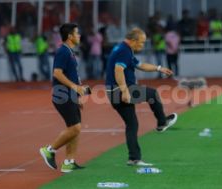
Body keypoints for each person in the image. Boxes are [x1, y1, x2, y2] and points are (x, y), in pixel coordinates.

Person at [105, 28, 178, 166]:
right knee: (152, 94)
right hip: (119, 91)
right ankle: (162, 123)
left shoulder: (124, 49)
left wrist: (158, 68)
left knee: (132, 124)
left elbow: (140, 65)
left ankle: (134, 158)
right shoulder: (124, 50)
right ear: (133, 40)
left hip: (113, 92)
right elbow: (118, 70)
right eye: (142, 42)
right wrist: (125, 91)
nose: (142, 45)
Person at [39, 23, 88, 173]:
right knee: (75, 127)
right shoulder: (63, 52)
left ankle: (69, 162)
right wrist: (75, 88)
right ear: (70, 36)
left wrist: (78, 94)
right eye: (77, 33)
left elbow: (72, 75)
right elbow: (57, 73)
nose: (79, 36)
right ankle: (49, 150)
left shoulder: (70, 52)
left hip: (70, 94)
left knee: (74, 128)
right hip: (62, 94)